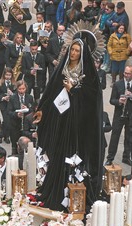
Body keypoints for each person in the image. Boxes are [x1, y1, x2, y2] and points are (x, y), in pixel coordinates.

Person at [37, 36, 103, 211]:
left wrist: (73, 90)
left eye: (77, 51)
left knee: (72, 154)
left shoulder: (88, 74)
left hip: (76, 122)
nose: (73, 53)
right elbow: (51, 91)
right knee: (57, 150)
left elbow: (92, 98)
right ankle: (54, 185)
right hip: (60, 118)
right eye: (72, 50)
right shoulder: (62, 68)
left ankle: (73, 190)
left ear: (82, 54)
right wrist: (42, 109)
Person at [106, 66, 132, 166]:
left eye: (128, 73)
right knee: (115, 137)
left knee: (129, 137)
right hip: (119, 115)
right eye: (125, 73)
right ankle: (110, 158)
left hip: (131, 115)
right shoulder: (117, 84)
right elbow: (111, 100)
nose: (126, 75)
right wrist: (118, 101)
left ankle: (126, 157)